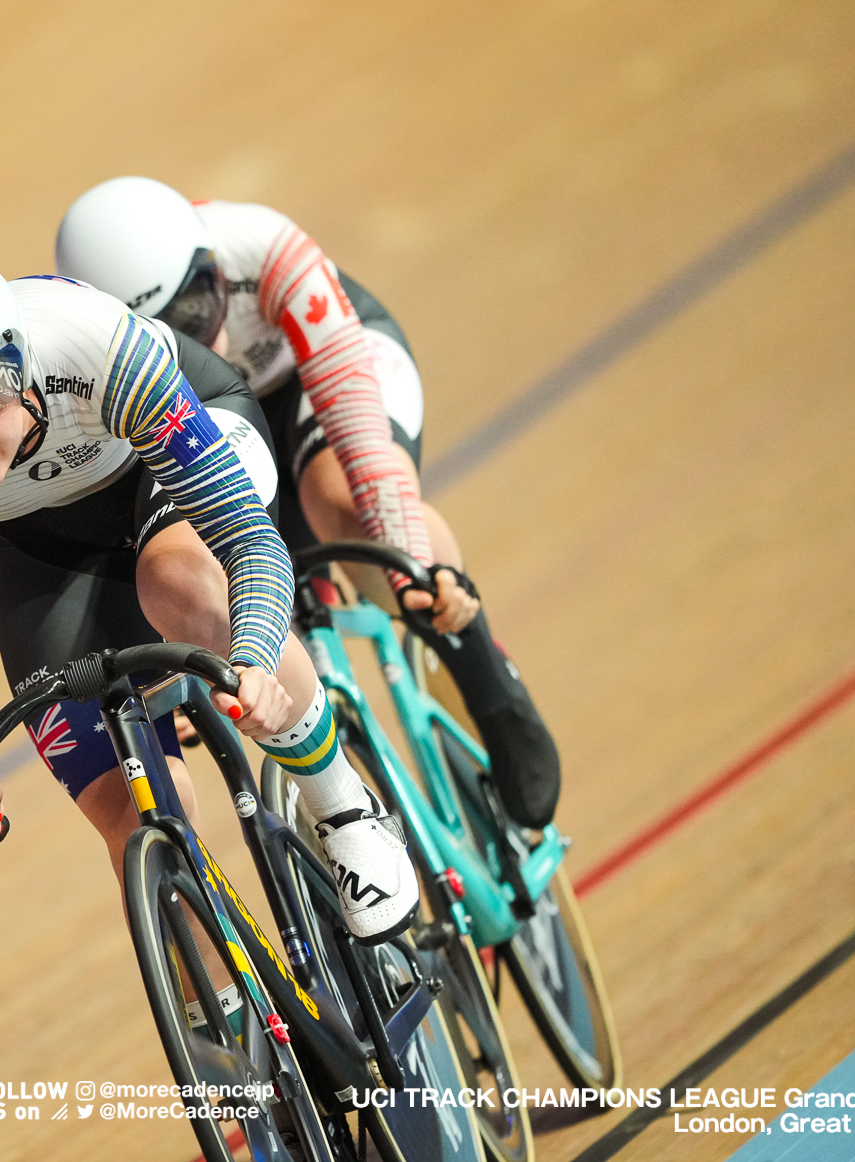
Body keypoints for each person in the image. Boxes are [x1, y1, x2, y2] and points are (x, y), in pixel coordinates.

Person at [0, 244, 418, 943]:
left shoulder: (91, 346)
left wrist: (256, 653)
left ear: (14, 359)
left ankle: (345, 808)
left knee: (176, 582)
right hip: (35, 548)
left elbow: (246, 541)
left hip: (168, 452)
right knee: (135, 817)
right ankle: (228, 1030)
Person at [55, 177, 561, 829]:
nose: (196, 342)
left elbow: (364, 445)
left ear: (213, 266)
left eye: (199, 309)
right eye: (166, 333)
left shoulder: (262, 249)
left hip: (312, 373)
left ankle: (486, 676)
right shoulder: (87, 355)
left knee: (343, 500)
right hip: (194, 417)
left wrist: (404, 554)